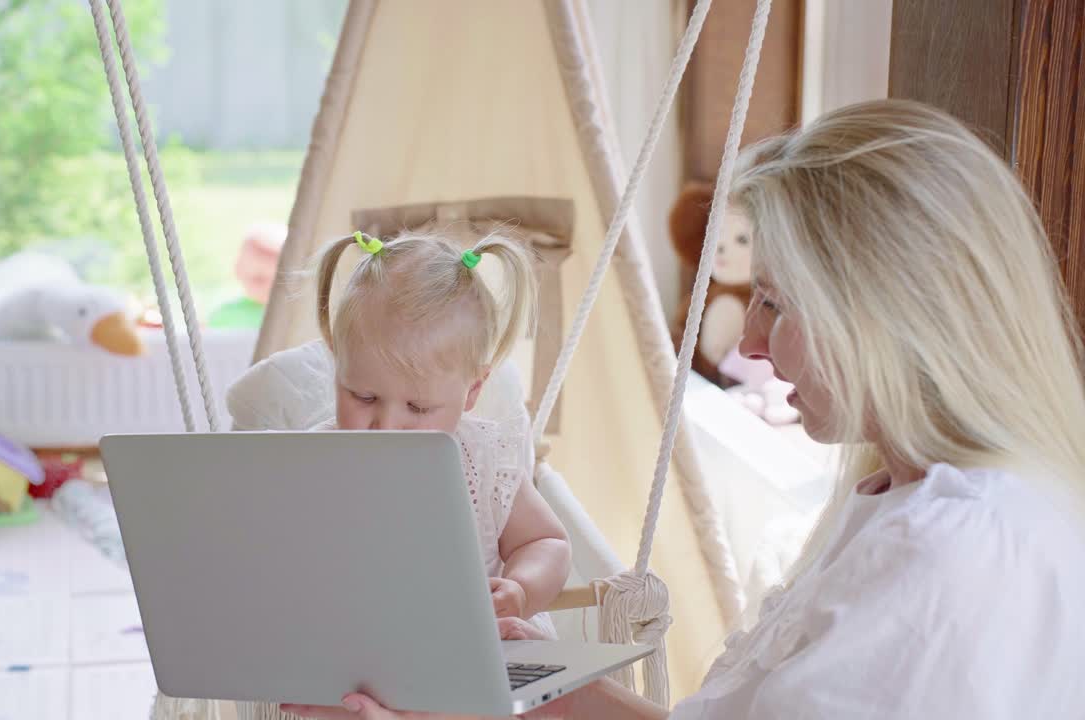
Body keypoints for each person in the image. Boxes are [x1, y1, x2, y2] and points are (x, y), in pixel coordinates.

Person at [283, 99, 1085, 719]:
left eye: (773, 300)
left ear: (884, 313)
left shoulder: (949, 559)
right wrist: (535, 692)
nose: (757, 345)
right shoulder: (914, 505)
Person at [312, 229, 572, 634]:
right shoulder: (312, 462)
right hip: (358, 655)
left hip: (470, 650)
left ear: (472, 391)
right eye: (363, 396)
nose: (387, 425)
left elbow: (545, 543)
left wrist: (520, 590)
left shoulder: (485, 461)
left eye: (417, 407)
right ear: (337, 366)